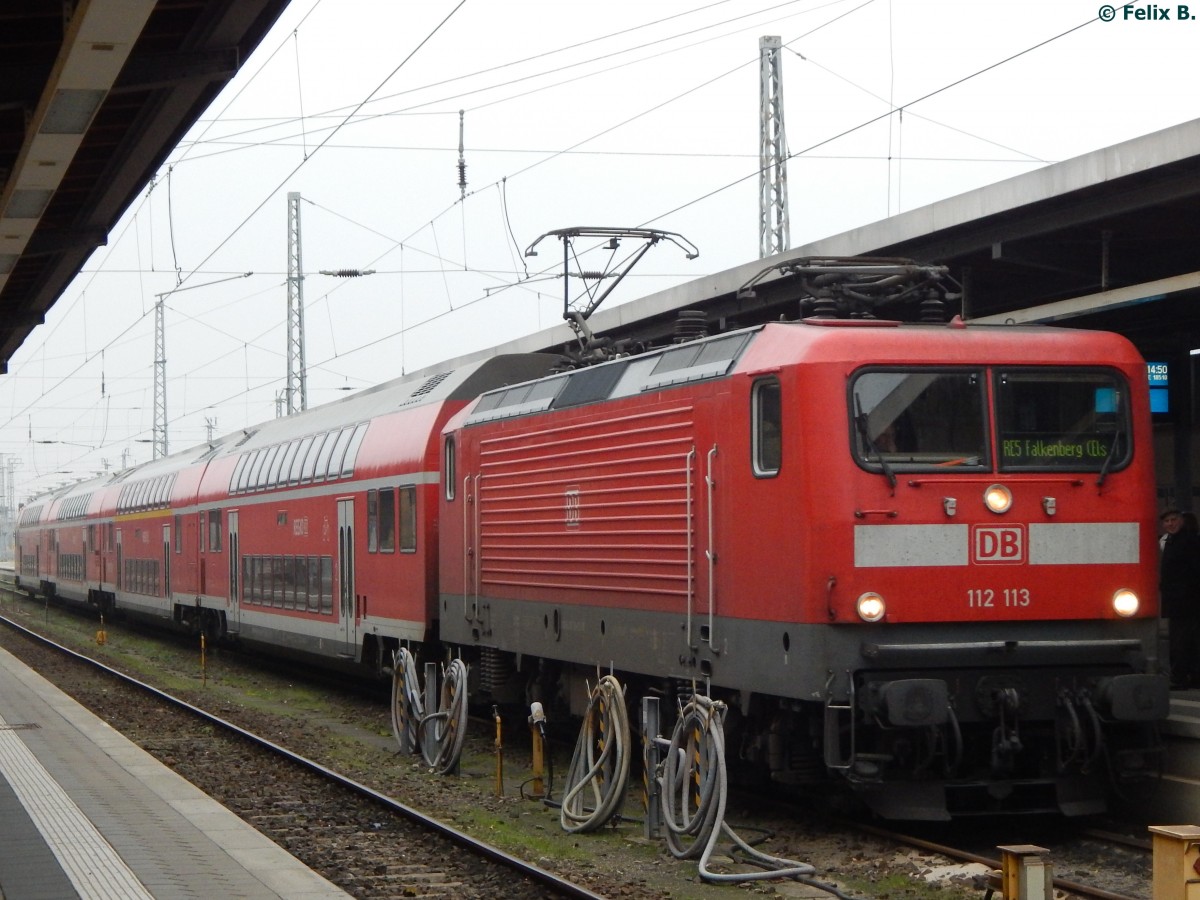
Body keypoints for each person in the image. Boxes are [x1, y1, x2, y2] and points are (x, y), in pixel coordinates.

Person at [1159, 508, 1200, 688]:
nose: (1170, 524)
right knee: (1188, 639)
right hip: (1179, 599)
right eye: (1167, 521)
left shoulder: (1187, 541)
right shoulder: (1171, 541)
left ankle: (1180, 677)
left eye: (1173, 520)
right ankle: (1191, 675)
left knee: (1180, 640)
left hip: (1186, 599)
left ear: (1181, 521)